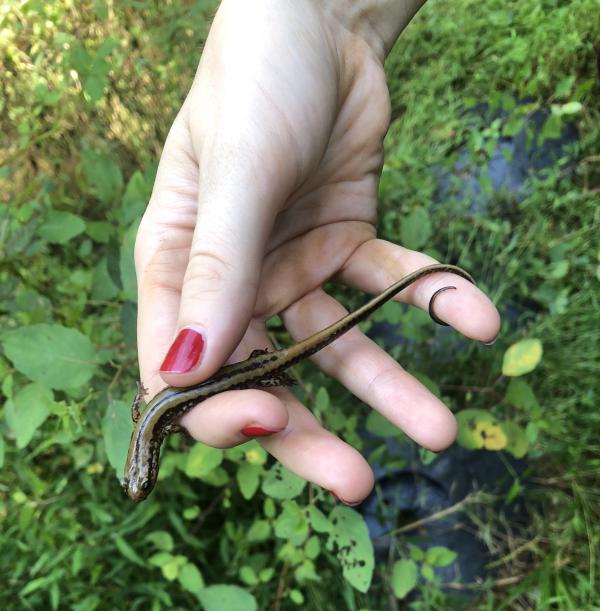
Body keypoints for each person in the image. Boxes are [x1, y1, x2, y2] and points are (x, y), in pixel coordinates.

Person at [133, 0, 500, 505]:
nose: (145, 475)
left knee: (268, 383)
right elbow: (149, 402)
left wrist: (314, 14)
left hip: (260, 365)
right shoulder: (148, 409)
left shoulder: (159, 418)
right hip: (258, 365)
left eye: (144, 475)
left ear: (147, 461)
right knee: (263, 391)